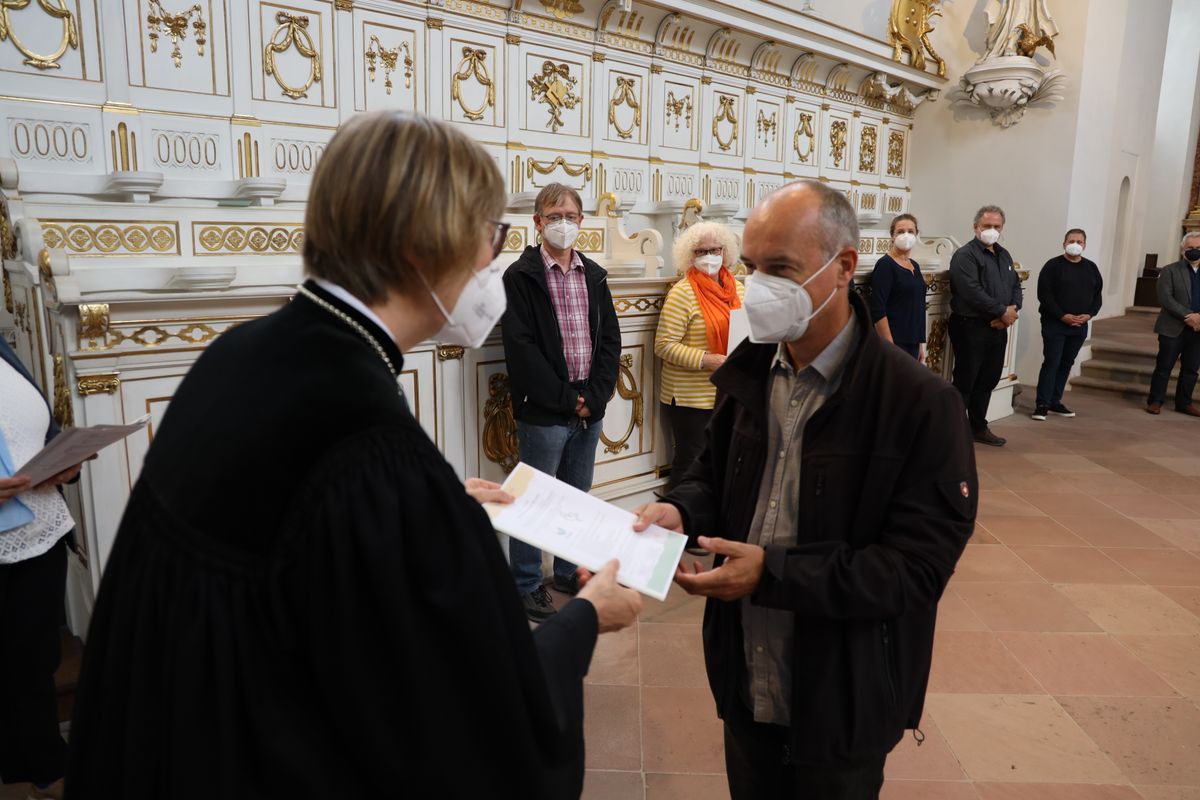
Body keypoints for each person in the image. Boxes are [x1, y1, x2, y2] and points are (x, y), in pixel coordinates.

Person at [64, 112, 642, 800]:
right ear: (423, 249)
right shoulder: (372, 445)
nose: (492, 260)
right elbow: (465, 730)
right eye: (492, 236)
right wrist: (585, 616)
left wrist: (439, 512)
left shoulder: (244, 352)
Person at [632, 180, 977, 800]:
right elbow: (710, 472)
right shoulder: (753, 373)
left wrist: (773, 574)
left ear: (843, 267)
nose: (759, 286)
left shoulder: (919, 403)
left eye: (781, 268)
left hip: (843, 691)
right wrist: (679, 508)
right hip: (747, 677)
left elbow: (915, 570)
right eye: (754, 266)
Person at [501, 183, 622, 620]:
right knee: (534, 500)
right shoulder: (521, 276)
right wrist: (568, 400)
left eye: (571, 216)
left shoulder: (594, 274)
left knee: (576, 496)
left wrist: (597, 396)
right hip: (546, 409)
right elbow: (521, 348)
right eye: (555, 216)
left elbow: (610, 340)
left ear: (582, 221)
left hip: (589, 405)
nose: (564, 224)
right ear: (538, 223)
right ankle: (527, 582)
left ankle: (569, 570)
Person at [0, 338, 91, 800]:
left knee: (34, 662)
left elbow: (42, 434)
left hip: (40, 533)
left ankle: (43, 769)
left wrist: (65, 464)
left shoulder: (1, 347)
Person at [654, 220, 745, 492]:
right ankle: (674, 525)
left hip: (728, 391)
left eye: (715, 250)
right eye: (701, 252)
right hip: (689, 398)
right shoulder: (682, 292)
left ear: (725, 252)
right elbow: (664, 345)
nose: (709, 257)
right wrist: (708, 359)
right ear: (689, 256)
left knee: (722, 462)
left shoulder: (738, 289)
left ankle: (705, 524)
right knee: (690, 464)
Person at [947, 204, 1022, 447]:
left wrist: (1012, 310)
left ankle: (978, 427)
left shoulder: (1004, 255)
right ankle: (954, 430)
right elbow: (971, 291)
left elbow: (1014, 285)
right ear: (976, 227)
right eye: (987, 226)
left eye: (996, 226)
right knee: (966, 380)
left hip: (997, 327)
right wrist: (1001, 311)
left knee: (988, 379)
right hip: (971, 326)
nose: (991, 230)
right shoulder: (965, 255)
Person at [1032, 228, 1102, 421]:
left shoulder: (1091, 268)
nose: (1075, 244)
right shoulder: (1053, 266)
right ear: (1064, 243)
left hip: (1079, 326)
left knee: (1066, 363)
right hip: (1055, 324)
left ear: (1085, 245)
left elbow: (1097, 296)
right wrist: (1062, 316)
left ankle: (1055, 400)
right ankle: (1042, 404)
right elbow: (1044, 295)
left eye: (1079, 241)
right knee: (1052, 362)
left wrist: (1089, 314)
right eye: (1071, 240)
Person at [1146, 232, 1200, 416]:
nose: (1194, 251)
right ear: (1183, 249)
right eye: (1190, 248)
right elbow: (1165, 298)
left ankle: (1184, 403)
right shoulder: (1170, 270)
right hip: (1172, 326)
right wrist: (1189, 315)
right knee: (1164, 366)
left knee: (1191, 369)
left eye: (1198, 248)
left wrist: (1198, 318)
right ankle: (1155, 401)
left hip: (1198, 328)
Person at [869, 213, 927, 361]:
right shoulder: (885, 265)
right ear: (892, 236)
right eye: (900, 232)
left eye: (910, 231)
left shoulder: (915, 266)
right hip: (894, 342)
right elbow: (878, 309)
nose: (906, 235)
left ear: (916, 235)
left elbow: (918, 305)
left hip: (912, 342)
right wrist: (890, 346)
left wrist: (919, 344)